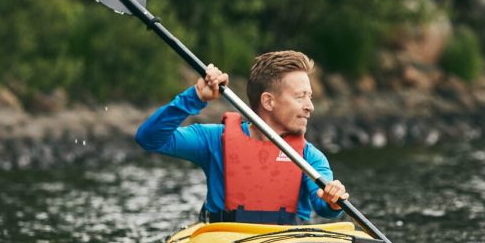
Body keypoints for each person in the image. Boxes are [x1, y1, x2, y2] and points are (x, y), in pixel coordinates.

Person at [136, 50, 349, 224]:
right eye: (300, 96)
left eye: (309, 97)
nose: (309, 106)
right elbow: (149, 138)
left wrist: (332, 201)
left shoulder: (310, 157)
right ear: (268, 102)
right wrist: (195, 97)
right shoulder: (214, 140)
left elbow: (323, 206)